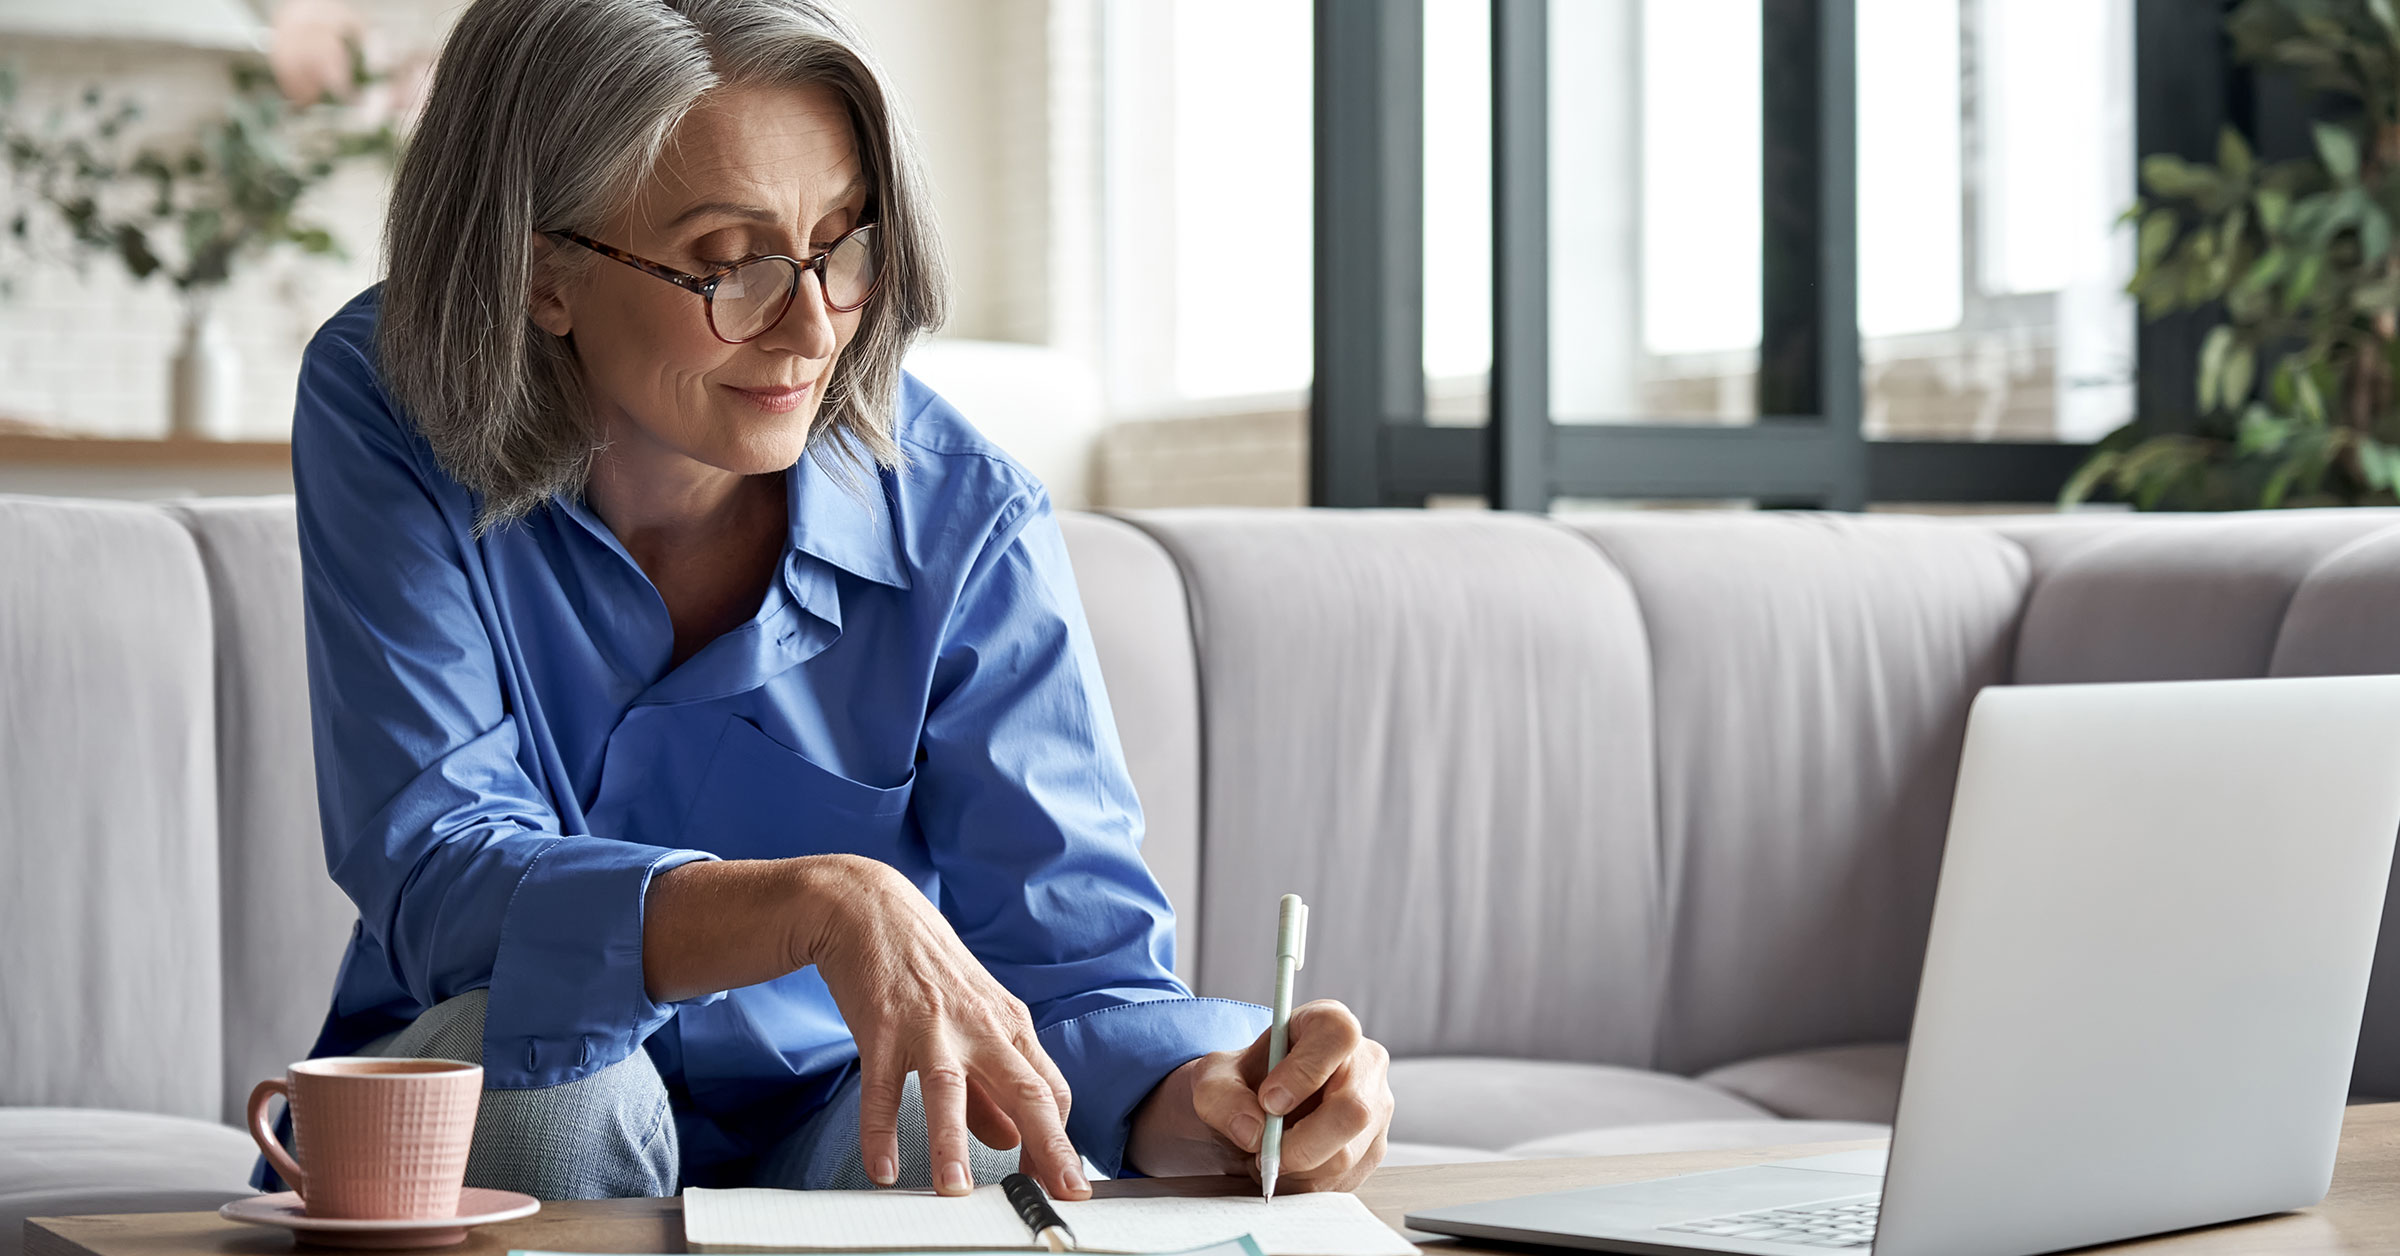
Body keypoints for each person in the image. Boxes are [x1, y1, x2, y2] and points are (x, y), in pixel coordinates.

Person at [271, 0, 1393, 1201]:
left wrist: (1220, 1100)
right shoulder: (391, 398)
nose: (813, 327)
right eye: (730, 262)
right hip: (505, 1082)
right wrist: (813, 901)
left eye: (844, 244)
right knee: (561, 1074)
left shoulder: (967, 514)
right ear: (544, 273)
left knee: (966, 1111)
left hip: (830, 1115)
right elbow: (439, 869)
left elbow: (1078, 979)